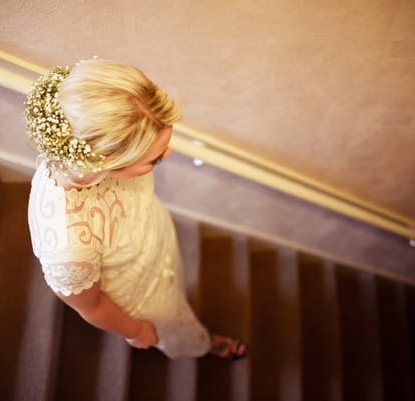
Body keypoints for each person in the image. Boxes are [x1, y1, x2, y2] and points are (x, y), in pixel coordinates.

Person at [25, 57, 248, 360]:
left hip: (153, 238)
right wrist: (136, 330)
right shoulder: (68, 247)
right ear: (106, 165)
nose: (168, 153)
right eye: (154, 159)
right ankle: (203, 343)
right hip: (136, 292)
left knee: (176, 278)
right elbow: (90, 306)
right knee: (173, 322)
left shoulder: (88, 141)